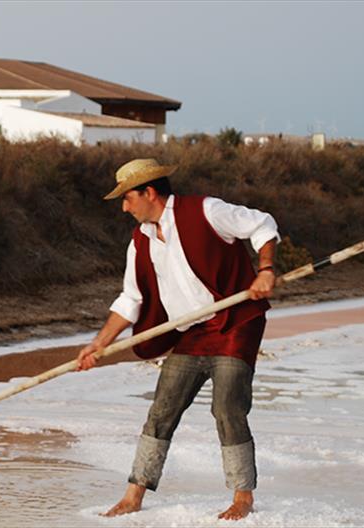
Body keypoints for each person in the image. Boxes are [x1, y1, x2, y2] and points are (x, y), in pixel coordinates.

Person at [76, 158, 279, 520]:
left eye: (127, 198)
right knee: (162, 409)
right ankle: (134, 494)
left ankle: (242, 497)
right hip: (193, 332)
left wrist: (265, 270)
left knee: (227, 408)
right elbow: (131, 299)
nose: (124, 207)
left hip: (235, 323)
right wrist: (99, 343)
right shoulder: (140, 241)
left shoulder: (206, 210)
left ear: (149, 192)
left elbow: (262, 223)